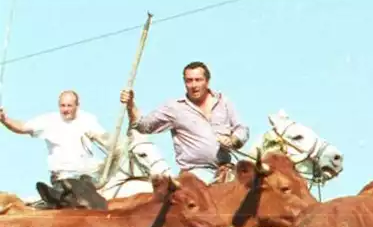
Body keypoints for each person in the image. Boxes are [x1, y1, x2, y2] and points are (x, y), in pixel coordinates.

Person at [120, 60, 248, 183]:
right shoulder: (174, 108)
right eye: (189, 81)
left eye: (198, 80)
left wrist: (233, 140)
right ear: (184, 83)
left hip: (226, 171)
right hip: (195, 175)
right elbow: (143, 126)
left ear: (207, 81)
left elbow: (242, 129)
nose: (194, 85)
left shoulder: (223, 101)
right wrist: (130, 104)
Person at [0, 89, 110, 184]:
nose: (65, 109)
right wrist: (5, 120)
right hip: (63, 178)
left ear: (77, 106)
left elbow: (108, 141)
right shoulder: (49, 120)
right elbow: (22, 127)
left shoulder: (88, 120)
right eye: (62, 106)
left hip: (87, 178)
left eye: (69, 105)